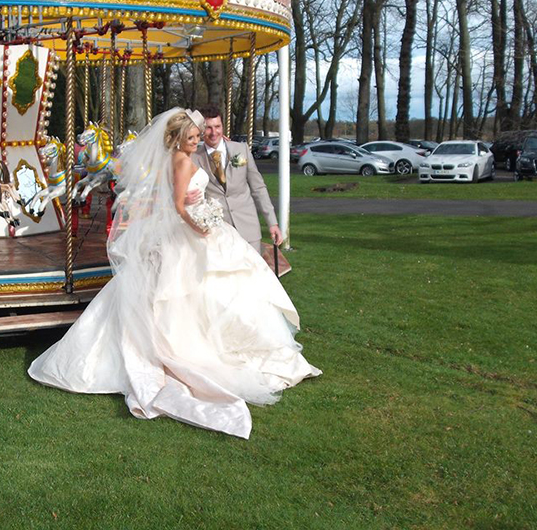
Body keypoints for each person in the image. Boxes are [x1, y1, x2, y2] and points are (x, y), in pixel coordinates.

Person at [28, 108, 321, 439]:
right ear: (178, 139)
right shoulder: (180, 161)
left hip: (206, 224)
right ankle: (197, 348)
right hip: (192, 228)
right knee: (191, 289)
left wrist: (204, 214)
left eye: (198, 136)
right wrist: (199, 225)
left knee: (223, 287)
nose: (197, 141)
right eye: (192, 137)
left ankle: (229, 341)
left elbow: (179, 197)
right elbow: (180, 206)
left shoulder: (184, 157)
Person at [191, 104, 281, 253]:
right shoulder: (193, 158)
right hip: (217, 232)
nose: (214, 132)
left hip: (248, 228)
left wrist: (272, 223)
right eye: (208, 128)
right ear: (200, 130)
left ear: (223, 126)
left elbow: (258, 188)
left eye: (217, 126)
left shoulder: (241, 149)